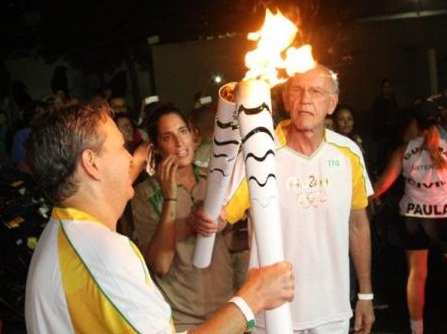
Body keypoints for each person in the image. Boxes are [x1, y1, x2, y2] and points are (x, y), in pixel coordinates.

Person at [23, 100, 294, 334]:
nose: (130, 156)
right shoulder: (101, 253)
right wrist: (254, 297)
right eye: (120, 146)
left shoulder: (63, 236)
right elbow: (161, 264)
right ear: (92, 163)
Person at [193, 65, 375, 334]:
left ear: (331, 103)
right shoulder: (258, 154)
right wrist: (204, 217)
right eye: (297, 91)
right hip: (273, 313)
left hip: (331, 310)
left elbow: (357, 224)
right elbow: (220, 218)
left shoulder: (348, 153)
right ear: (286, 99)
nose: (305, 100)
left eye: (315, 92)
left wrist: (365, 295)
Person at [372, 101, 447, 334]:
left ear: (415, 124)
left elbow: (381, 186)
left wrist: (354, 200)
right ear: (437, 121)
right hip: (445, 218)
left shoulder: (404, 150)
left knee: (416, 276)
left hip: (413, 218)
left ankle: (416, 330)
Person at [131, 103, 236, 330]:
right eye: (168, 137)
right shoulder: (145, 195)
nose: (179, 143)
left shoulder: (212, 181)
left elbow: (228, 242)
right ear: (156, 147)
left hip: (227, 307)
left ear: (192, 134)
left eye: (182, 131)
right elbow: (160, 264)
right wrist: (170, 198)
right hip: (184, 319)